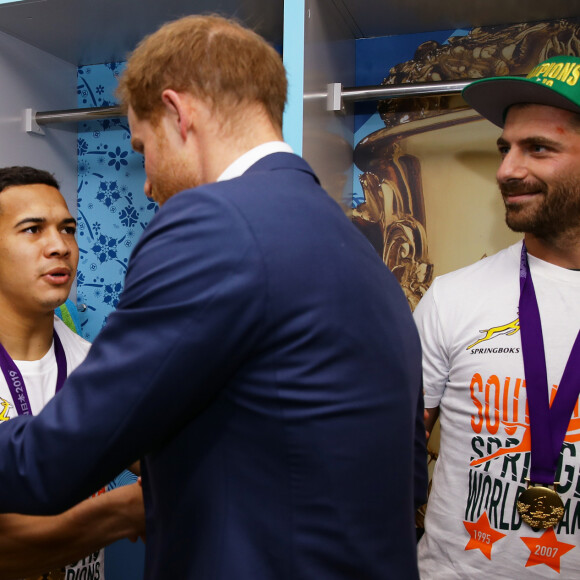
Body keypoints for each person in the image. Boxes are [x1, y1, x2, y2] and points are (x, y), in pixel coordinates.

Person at [0, 15, 426, 580]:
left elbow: (50, 463)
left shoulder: (211, 223)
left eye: (142, 146)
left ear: (179, 114)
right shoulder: (351, 241)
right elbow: (409, 474)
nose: (147, 184)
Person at [415, 55, 580, 578]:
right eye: (504, 148)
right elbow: (389, 454)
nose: (507, 170)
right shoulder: (451, 298)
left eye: (538, 148)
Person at [0, 166, 145, 580]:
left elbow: (155, 459)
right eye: (32, 229)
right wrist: (120, 515)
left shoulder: (95, 364)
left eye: (67, 229)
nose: (59, 246)